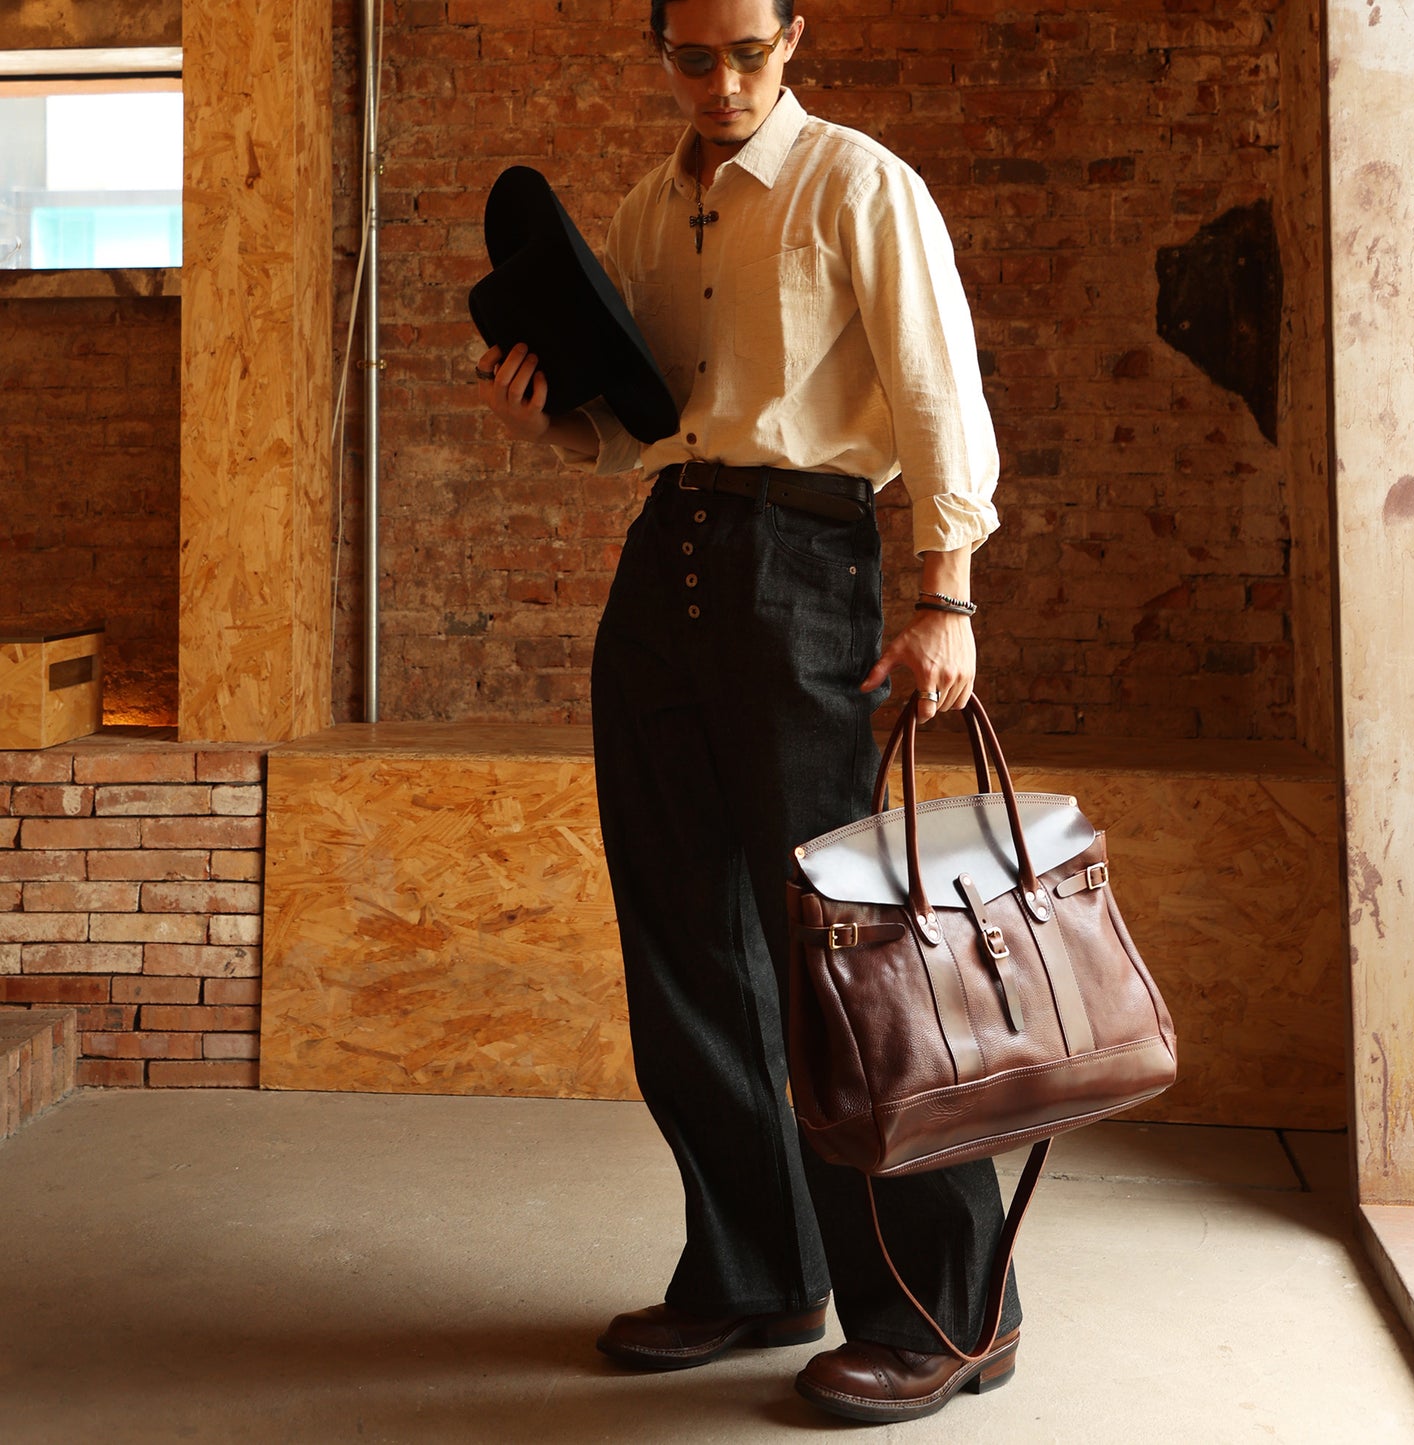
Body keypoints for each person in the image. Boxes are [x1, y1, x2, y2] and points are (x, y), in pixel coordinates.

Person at [476, 0, 1017, 1423]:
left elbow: (935, 392)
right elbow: (644, 424)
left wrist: (942, 593)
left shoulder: (857, 184)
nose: (717, 83)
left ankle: (946, 1311)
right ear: (662, 49)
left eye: (746, 55)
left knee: (850, 953)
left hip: (806, 565)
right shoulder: (653, 208)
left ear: (795, 39)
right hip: (670, 561)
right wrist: (550, 406)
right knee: (683, 942)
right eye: (689, 55)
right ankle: (754, 1266)